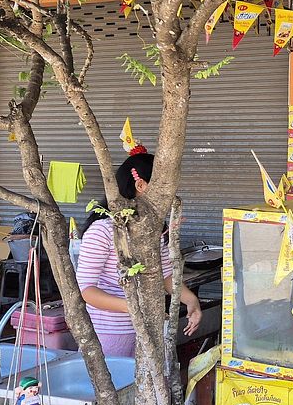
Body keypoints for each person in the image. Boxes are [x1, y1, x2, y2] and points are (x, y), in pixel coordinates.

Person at [76, 146, 202, 357]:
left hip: (149, 330)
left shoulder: (154, 228)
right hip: (109, 333)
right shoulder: (103, 230)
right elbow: (86, 290)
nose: (170, 195)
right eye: (164, 188)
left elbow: (165, 275)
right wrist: (133, 307)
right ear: (140, 185)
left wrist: (191, 301)